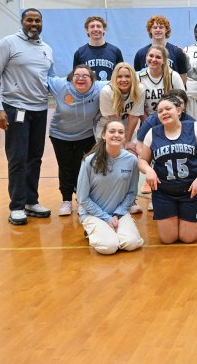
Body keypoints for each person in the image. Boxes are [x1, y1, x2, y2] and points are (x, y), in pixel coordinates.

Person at [0, 8, 55, 225]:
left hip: (40, 109)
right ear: (22, 22)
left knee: (35, 157)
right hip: (15, 108)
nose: (33, 23)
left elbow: (49, 78)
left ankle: (30, 201)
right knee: (17, 157)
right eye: (29, 20)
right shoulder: (8, 43)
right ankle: (17, 206)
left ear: (42, 23)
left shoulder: (46, 49)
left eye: (37, 20)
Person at [138, 95, 197, 244]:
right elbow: (142, 160)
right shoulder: (152, 133)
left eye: (168, 108)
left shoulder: (194, 127)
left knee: (189, 238)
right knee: (168, 239)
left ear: (179, 110)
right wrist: (149, 170)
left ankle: (184, 216)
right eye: (160, 111)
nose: (164, 113)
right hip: (164, 192)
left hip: (191, 190)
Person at [77, 120, 144, 255]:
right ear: (103, 135)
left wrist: (119, 213)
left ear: (125, 137)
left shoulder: (131, 160)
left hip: (118, 213)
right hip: (93, 213)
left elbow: (132, 193)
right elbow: (82, 198)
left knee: (132, 244)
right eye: (112, 131)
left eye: (120, 132)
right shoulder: (90, 161)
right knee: (109, 247)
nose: (116, 135)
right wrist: (106, 218)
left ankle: (112, 231)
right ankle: (93, 231)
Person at [47, 65, 105, 216]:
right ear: (71, 78)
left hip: (85, 135)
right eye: (77, 75)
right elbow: (42, 78)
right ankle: (66, 200)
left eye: (85, 76)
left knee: (82, 169)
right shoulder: (61, 86)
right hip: (60, 134)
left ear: (92, 80)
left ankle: (82, 200)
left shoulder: (100, 87)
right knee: (65, 167)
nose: (80, 78)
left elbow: (124, 78)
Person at [95, 62, 145, 151]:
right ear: (114, 78)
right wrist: (122, 142)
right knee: (112, 154)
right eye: (119, 76)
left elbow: (134, 117)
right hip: (107, 125)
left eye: (127, 76)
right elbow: (113, 119)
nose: (124, 80)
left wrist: (128, 140)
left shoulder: (139, 89)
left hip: (128, 126)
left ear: (133, 77)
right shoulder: (107, 91)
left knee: (131, 153)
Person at [133, 15, 189, 84]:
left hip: (170, 93)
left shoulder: (177, 52)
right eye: (155, 27)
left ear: (166, 30)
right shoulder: (141, 54)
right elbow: (137, 78)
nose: (158, 30)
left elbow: (183, 77)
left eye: (161, 27)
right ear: (150, 30)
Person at [72, 16, 124, 82]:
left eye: (98, 26)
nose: (95, 29)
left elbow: (121, 75)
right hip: (88, 91)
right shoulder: (79, 53)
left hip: (110, 91)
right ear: (87, 30)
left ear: (104, 29)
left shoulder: (116, 51)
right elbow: (76, 78)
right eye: (92, 26)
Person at [139, 44, 185, 116]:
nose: (153, 59)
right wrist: (149, 122)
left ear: (164, 60)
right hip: (148, 119)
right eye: (151, 56)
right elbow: (138, 108)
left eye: (158, 57)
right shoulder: (139, 77)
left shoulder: (173, 76)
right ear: (146, 57)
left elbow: (182, 101)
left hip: (171, 117)